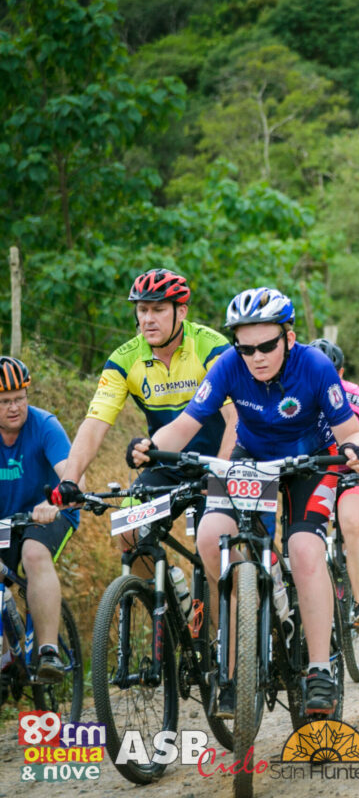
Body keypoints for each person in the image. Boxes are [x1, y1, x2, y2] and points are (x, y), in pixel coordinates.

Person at [128, 288, 359, 718]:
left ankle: (318, 670)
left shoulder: (314, 366)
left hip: (309, 462)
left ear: (289, 339)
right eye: (246, 348)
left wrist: (356, 449)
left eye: (267, 346)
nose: (256, 357)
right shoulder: (228, 366)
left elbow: (351, 430)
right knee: (210, 536)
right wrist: (150, 445)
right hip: (252, 461)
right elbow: (185, 425)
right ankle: (233, 662)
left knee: (304, 549)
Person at [51, 270, 237, 571]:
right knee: (127, 532)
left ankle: (222, 612)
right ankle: (168, 603)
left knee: (214, 553)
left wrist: (222, 469)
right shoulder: (124, 359)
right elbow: (94, 424)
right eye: (142, 310)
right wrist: (70, 480)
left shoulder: (211, 346)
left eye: (159, 309)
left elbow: (236, 418)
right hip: (166, 464)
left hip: (217, 463)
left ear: (182, 311)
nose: (148, 319)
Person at [0, 357, 77, 682]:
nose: (14, 407)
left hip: (48, 515)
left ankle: (48, 653)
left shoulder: (45, 425)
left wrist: (53, 502)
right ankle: (6, 656)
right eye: (4, 402)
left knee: (34, 552)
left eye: (20, 398)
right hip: (5, 523)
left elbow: (73, 479)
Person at [310, 338, 359, 626]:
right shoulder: (296, 393)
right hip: (315, 474)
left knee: (352, 521)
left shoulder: (354, 395)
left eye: (330, 373)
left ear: (340, 373)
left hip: (352, 473)